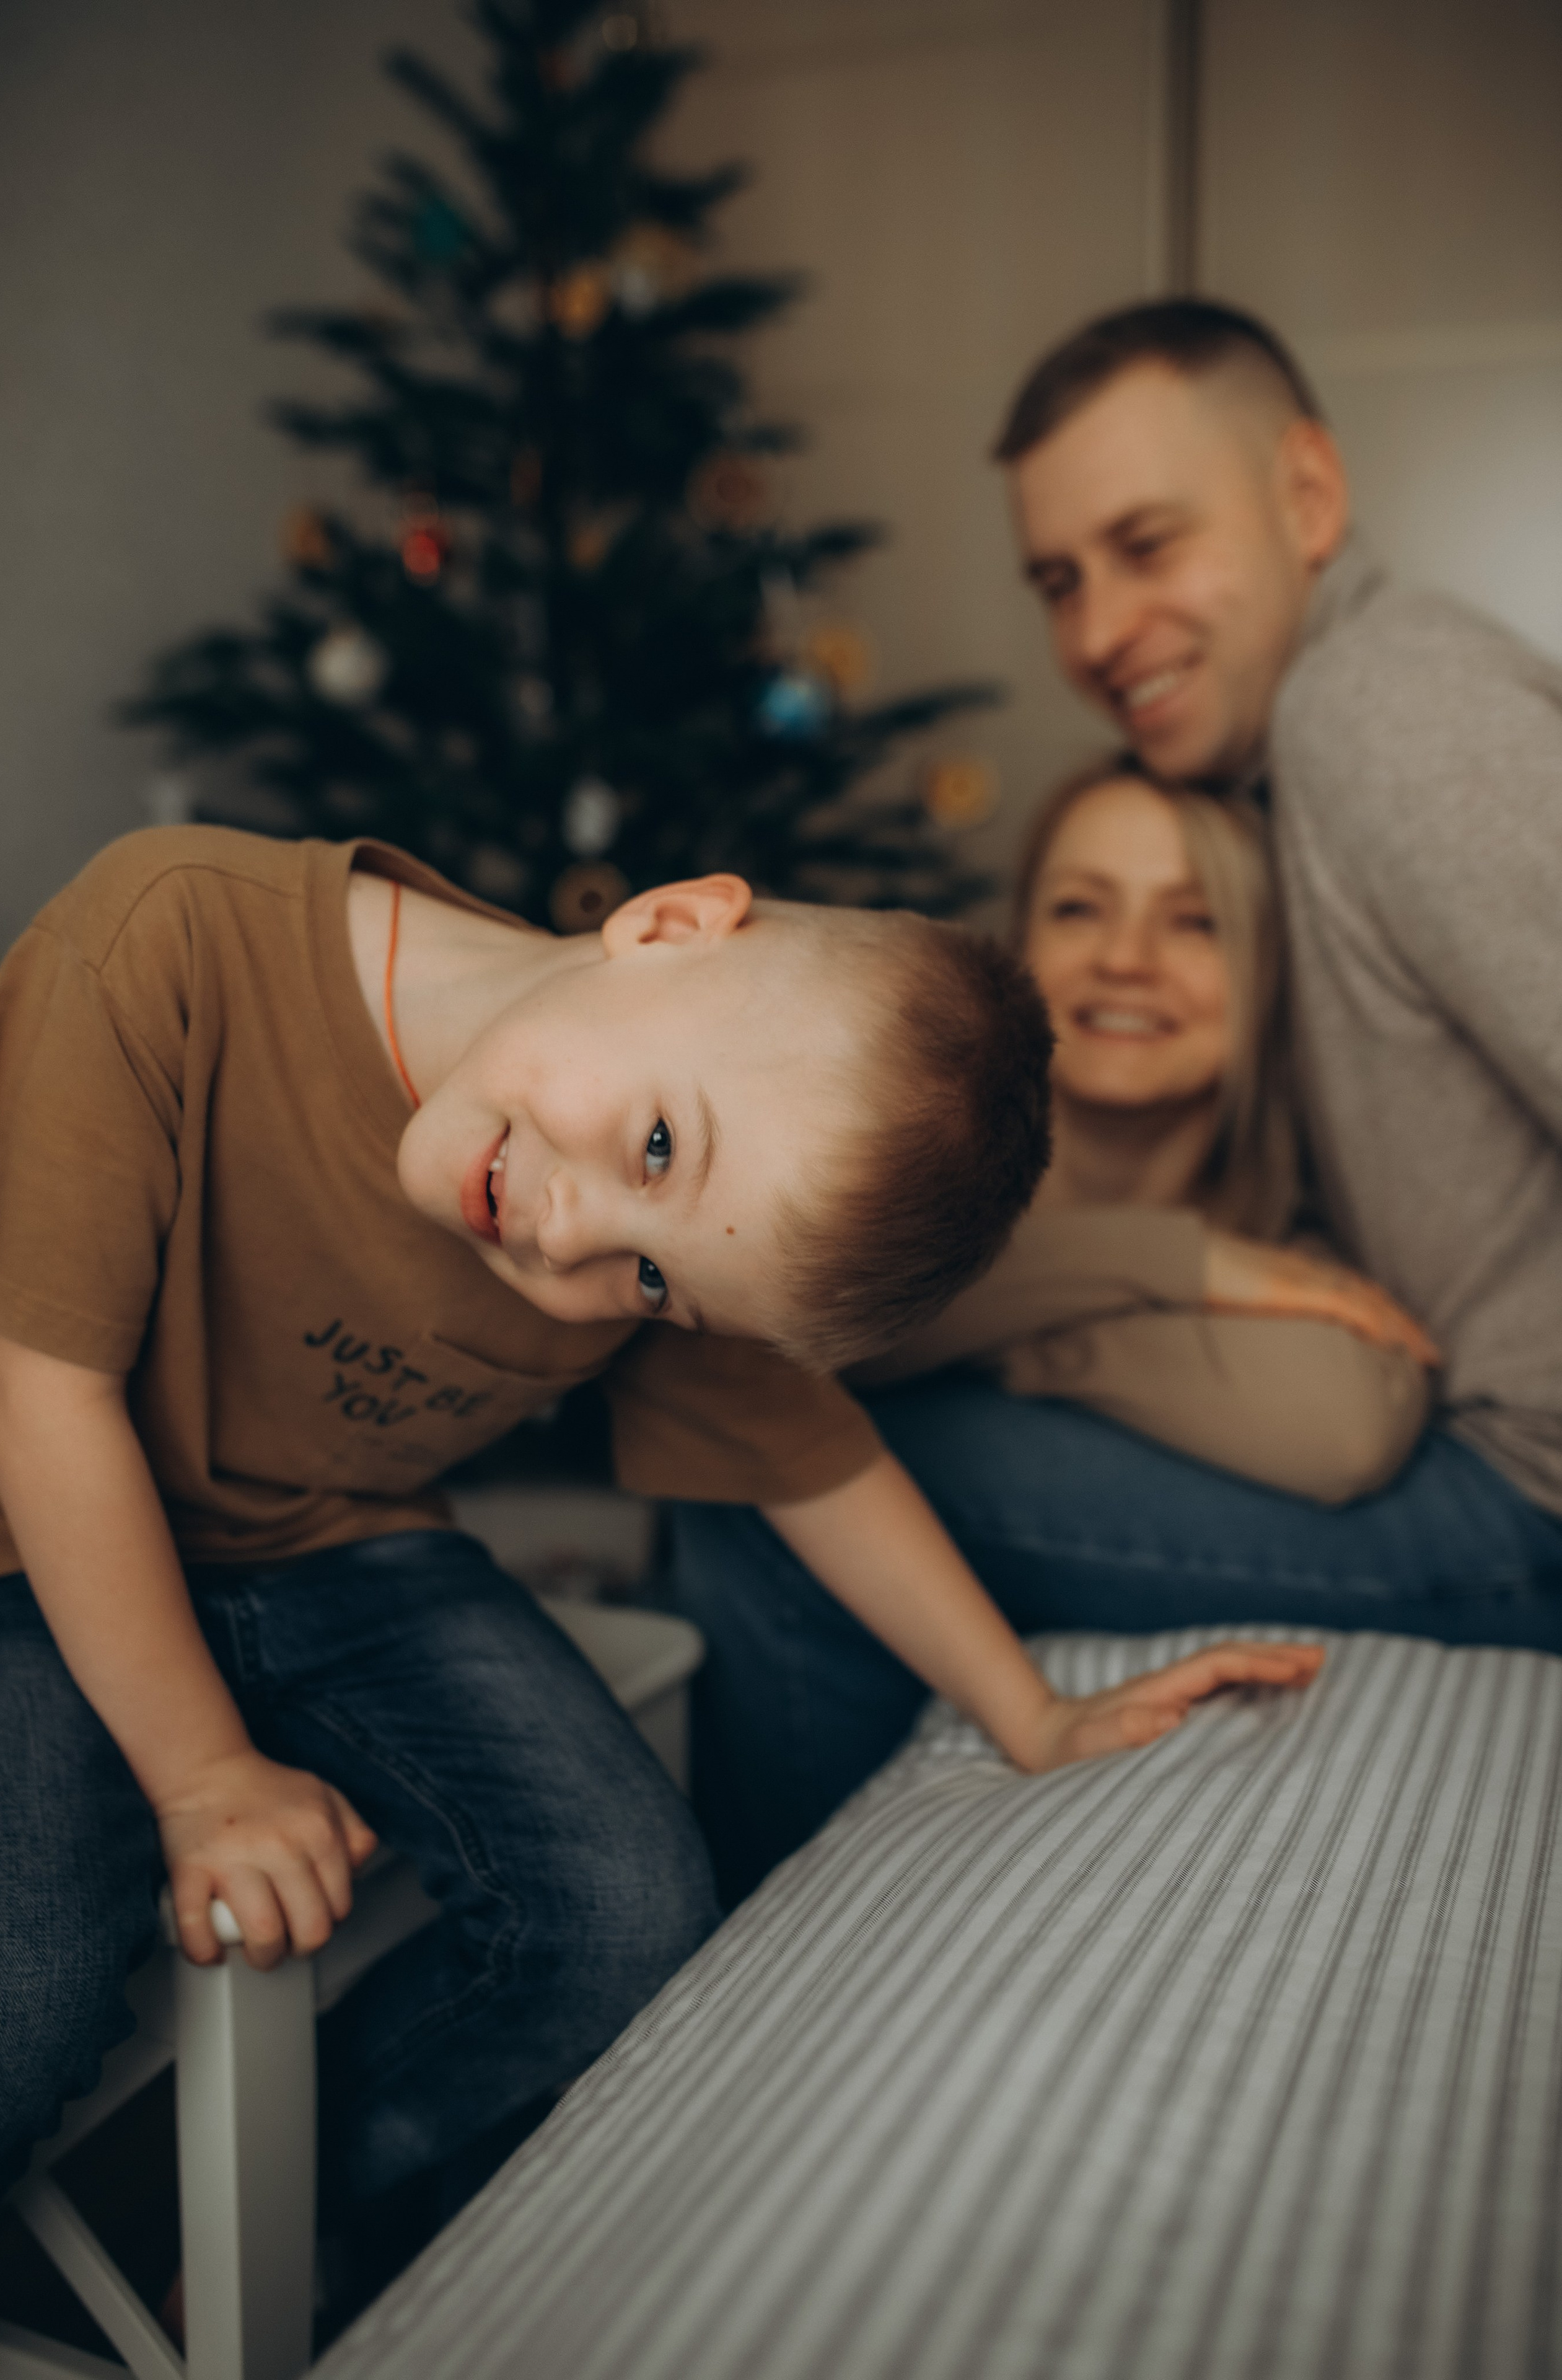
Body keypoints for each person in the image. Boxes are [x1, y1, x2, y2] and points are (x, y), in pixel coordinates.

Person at [0, 824, 1318, 2303]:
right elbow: (41, 1402)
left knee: (625, 1909)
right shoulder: (174, 930)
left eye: (655, 1280)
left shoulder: (633, 1219)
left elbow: (817, 1461)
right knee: (21, 1976)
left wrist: (1031, 1712)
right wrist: (201, 1775)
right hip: (3, 1529)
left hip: (329, 1538)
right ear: (670, 926)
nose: (570, 1240)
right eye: (659, 1146)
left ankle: (169, 2239)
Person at [671, 297, 1562, 1906]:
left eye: (1148, 546)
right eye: (1060, 581)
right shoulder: (1282, 766)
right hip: (1471, 1460)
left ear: (1306, 498)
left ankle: (791, 1962)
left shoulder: (1374, 711)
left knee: (768, 1499)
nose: (1098, 633)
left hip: (1524, 1503)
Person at [856, 759, 1437, 1504]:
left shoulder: (1293, 1256)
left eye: (1196, 922)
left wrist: (994, 1331)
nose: (1124, 960)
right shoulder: (882, 1168)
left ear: (1267, 977)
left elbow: (1344, 1436)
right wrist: (1171, 1263)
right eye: (1078, 909)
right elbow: (792, 1335)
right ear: (1017, 946)